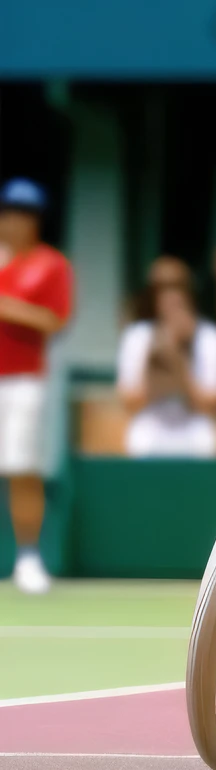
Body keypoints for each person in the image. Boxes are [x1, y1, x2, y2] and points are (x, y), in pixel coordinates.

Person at [0, 180, 72, 594]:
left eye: (25, 213)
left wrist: (10, 308)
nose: (16, 220)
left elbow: (54, 321)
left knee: (22, 470)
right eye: (10, 211)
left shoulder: (50, 264)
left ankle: (28, 558)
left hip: (24, 380)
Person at [116, 281, 216, 457]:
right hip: (151, 427)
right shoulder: (137, 336)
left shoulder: (210, 338)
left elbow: (213, 406)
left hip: (195, 429)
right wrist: (155, 362)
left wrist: (179, 362)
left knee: (207, 440)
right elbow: (130, 402)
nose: (173, 304)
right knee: (138, 440)